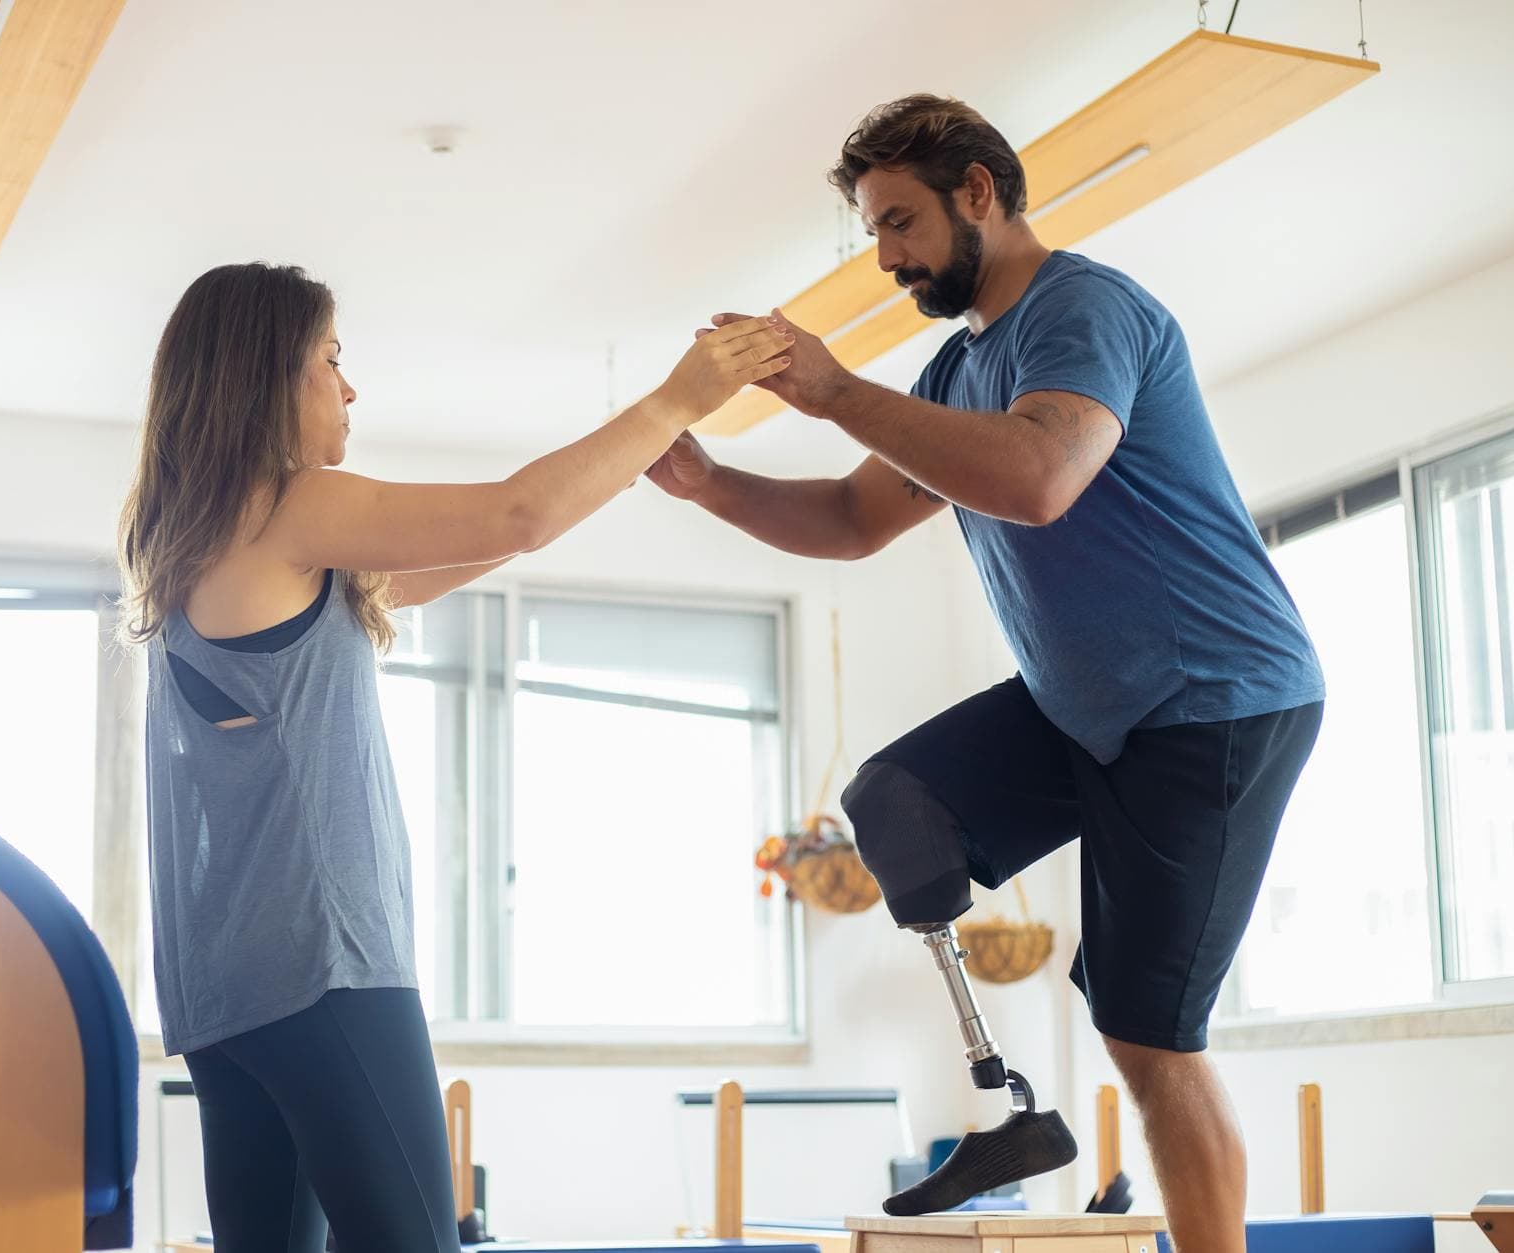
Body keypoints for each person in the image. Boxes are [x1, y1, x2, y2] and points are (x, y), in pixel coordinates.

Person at [646, 96, 1323, 1252]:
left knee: (1148, 1032)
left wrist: (835, 390)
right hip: (1087, 702)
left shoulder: (1082, 310)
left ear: (976, 192)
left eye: (898, 222)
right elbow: (853, 517)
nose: (886, 257)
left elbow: (1040, 477)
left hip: (1211, 696)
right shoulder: (955, 371)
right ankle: (1003, 1101)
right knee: (895, 797)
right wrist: (709, 485)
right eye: (872, 230)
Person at [117, 261, 791, 1252]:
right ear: (266, 376)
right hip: (325, 967)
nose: (349, 387)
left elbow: (469, 550)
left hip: (225, 992)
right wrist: (676, 399)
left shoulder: (196, 539)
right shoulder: (292, 506)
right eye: (331, 359)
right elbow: (517, 512)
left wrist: (620, 466)